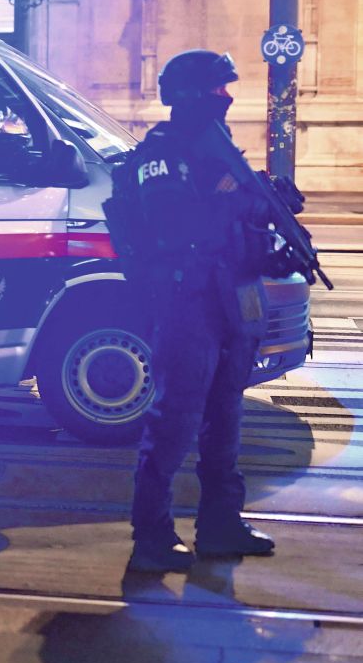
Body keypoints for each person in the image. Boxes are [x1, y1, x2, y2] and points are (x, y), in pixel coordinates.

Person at [119, 50, 283, 573]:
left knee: (225, 414)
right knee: (176, 419)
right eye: (218, 89)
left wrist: (267, 224)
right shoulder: (161, 154)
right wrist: (237, 198)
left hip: (229, 299)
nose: (228, 97)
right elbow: (176, 227)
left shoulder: (220, 153)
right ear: (188, 95)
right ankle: (152, 534)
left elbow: (235, 236)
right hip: (186, 301)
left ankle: (219, 524)